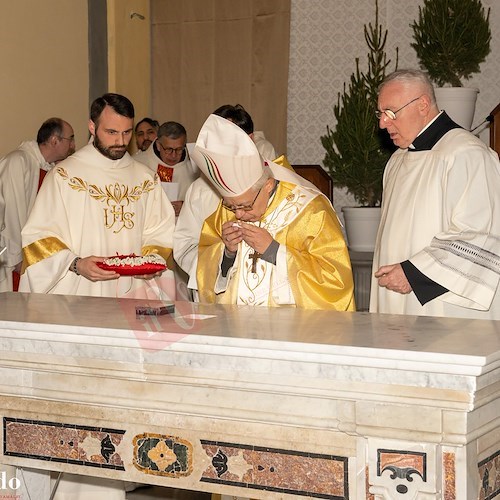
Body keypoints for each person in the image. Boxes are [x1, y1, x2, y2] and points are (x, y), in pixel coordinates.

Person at [370, 69, 500, 319]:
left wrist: (414, 274)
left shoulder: (467, 154)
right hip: (397, 302)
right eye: (380, 113)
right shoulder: (397, 160)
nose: (382, 123)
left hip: (443, 309)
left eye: (390, 113)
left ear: (422, 105)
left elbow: (482, 233)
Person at [191, 113, 355, 310]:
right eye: (231, 206)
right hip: (236, 326)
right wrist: (228, 253)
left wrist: (274, 251)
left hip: (291, 329)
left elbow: (335, 281)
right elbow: (205, 264)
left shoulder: (311, 211)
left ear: (268, 185)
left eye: (245, 206)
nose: (239, 214)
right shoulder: (229, 209)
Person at [174, 105, 282, 299]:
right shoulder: (200, 191)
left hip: (271, 296)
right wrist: (224, 255)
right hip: (216, 297)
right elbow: (185, 246)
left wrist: (272, 249)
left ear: (250, 140)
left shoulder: (280, 184)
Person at [0, 117, 75, 292]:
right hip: (14, 260)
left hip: (35, 258)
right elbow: (9, 214)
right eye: (70, 138)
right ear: (54, 140)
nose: (72, 145)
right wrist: (17, 257)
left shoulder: (49, 168)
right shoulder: (18, 161)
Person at [135, 121, 199, 216]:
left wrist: (187, 206)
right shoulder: (138, 164)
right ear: (158, 145)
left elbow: (204, 201)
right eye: (168, 149)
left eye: (179, 149)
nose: (173, 155)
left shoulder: (196, 167)